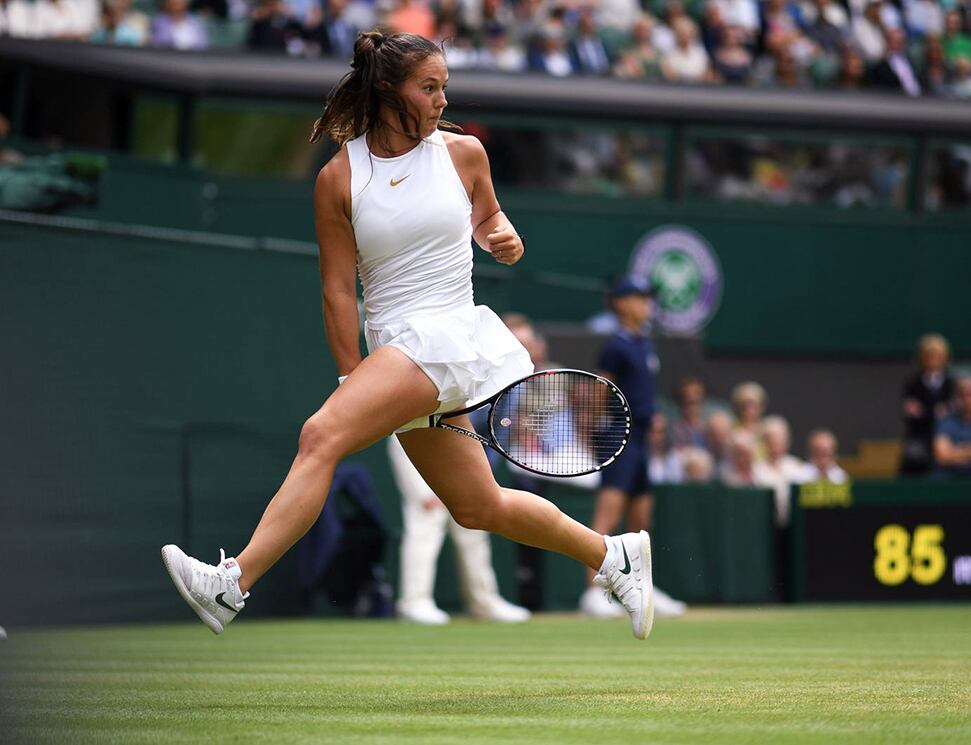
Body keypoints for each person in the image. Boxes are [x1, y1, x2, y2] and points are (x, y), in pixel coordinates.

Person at [160, 32, 654, 641]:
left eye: (445, 86)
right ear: (387, 90)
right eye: (429, 87)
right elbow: (339, 291)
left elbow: (489, 216)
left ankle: (230, 584)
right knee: (479, 507)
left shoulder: (464, 154)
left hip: (447, 337)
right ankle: (615, 557)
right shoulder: (339, 179)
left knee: (320, 434)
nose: (443, 99)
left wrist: (504, 235)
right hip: (398, 350)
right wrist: (352, 377)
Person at [579, 276, 685, 621]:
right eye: (639, 298)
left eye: (647, 299)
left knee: (641, 519)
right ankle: (592, 593)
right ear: (621, 303)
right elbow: (600, 390)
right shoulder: (616, 346)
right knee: (607, 516)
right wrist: (597, 429)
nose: (647, 305)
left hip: (640, 438)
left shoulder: (644, 343)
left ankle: (643, 592)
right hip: (617, 436)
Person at [386, 434, 530, 625]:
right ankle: (414, 603)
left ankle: (484, 603)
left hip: (456, 438)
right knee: (427, 518)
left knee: (473, 526)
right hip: (414, 431)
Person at [900, 333, 955, 476]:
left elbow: (950, 412)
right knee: (913, 455)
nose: (933, 360)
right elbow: (911, 414)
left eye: (937, 355)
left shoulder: (952, 383)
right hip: (920, 435)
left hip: (948, 436)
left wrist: (925, 412)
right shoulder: (912, 383)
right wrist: (934, 412)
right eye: (929, 355)